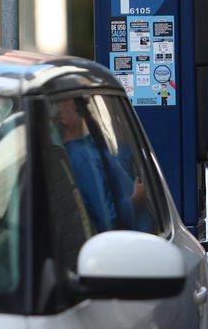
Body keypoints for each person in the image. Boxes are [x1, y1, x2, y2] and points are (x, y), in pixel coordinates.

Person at [51, 98, 146, 232]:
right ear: (62, 119)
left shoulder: (88, 144)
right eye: (67, 99)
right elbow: (106, 218)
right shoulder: (80, 158)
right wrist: (135, 202)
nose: (75, 100)